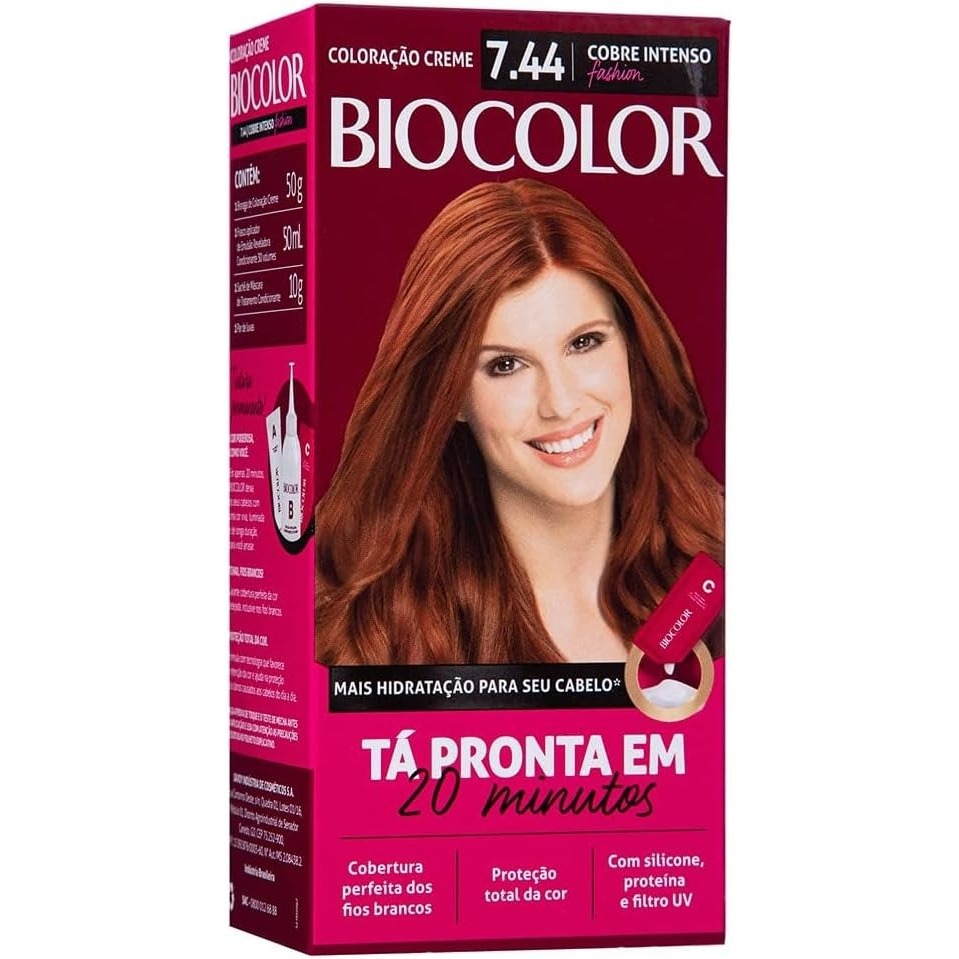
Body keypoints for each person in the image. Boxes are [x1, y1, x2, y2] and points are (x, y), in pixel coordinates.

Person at [314, 179, 723, 665]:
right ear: (451, 396)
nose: (561, 403)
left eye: (585, 342)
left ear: (632, 345)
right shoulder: (379, 636)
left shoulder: (721, 565)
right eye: (506, 365)